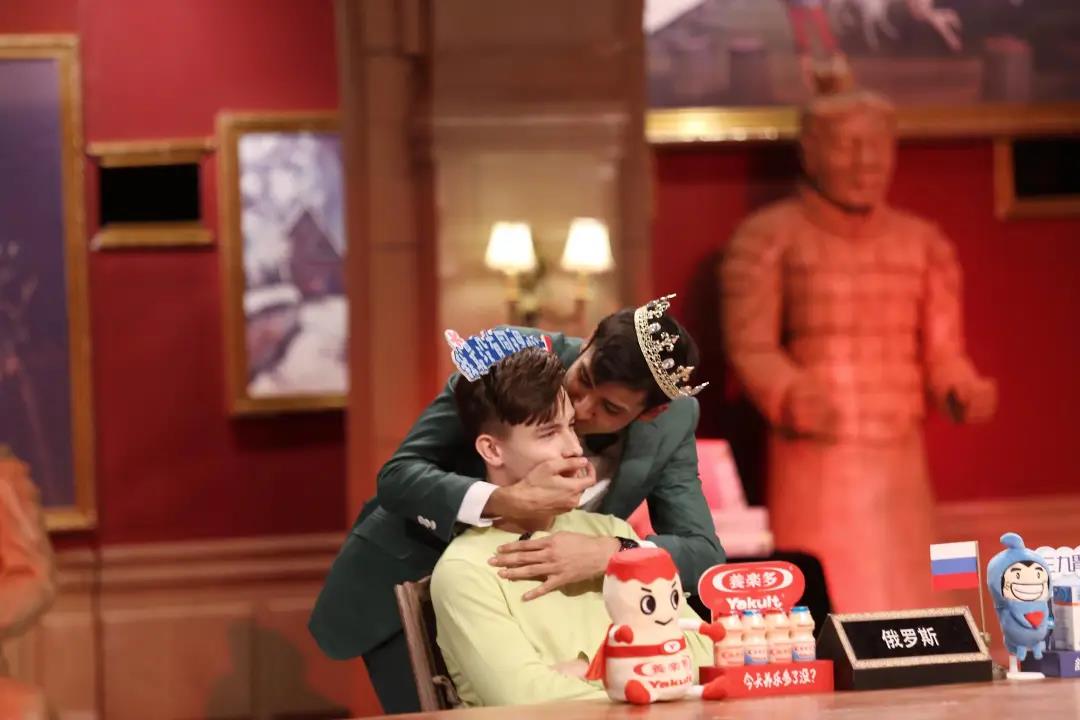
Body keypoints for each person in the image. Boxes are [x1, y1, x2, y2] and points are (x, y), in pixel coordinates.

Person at [310, 295, 724, 714]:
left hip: (539, 593)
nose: (581, 410)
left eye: (610, 408)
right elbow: (399, 476)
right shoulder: (510, 358)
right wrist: (504, 501)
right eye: (583, 379)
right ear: (588, 342)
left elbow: (703, 553)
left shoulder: (671, 425)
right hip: (417, 564)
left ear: (651, 413)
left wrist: (615, 553)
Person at [720, 72, 996, 613]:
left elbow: (944, 353)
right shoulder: (766, 238)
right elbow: (750, 345)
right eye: (847, 146)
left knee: (913, 605)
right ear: (809, 151)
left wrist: (963, 388)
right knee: (826, 608)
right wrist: (791, 392)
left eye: (878, 147)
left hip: (899, 457)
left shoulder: (924, 244)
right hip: (813, 455)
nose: (865, 163)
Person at [430, 341, 715, 707]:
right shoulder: (466, 570)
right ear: (493, 450)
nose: (575, 448)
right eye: (548, 433)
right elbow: (524, 699)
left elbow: (704, 653)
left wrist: (596, 670)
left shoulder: (613, 534)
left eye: (568, 426)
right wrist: (645, 672)